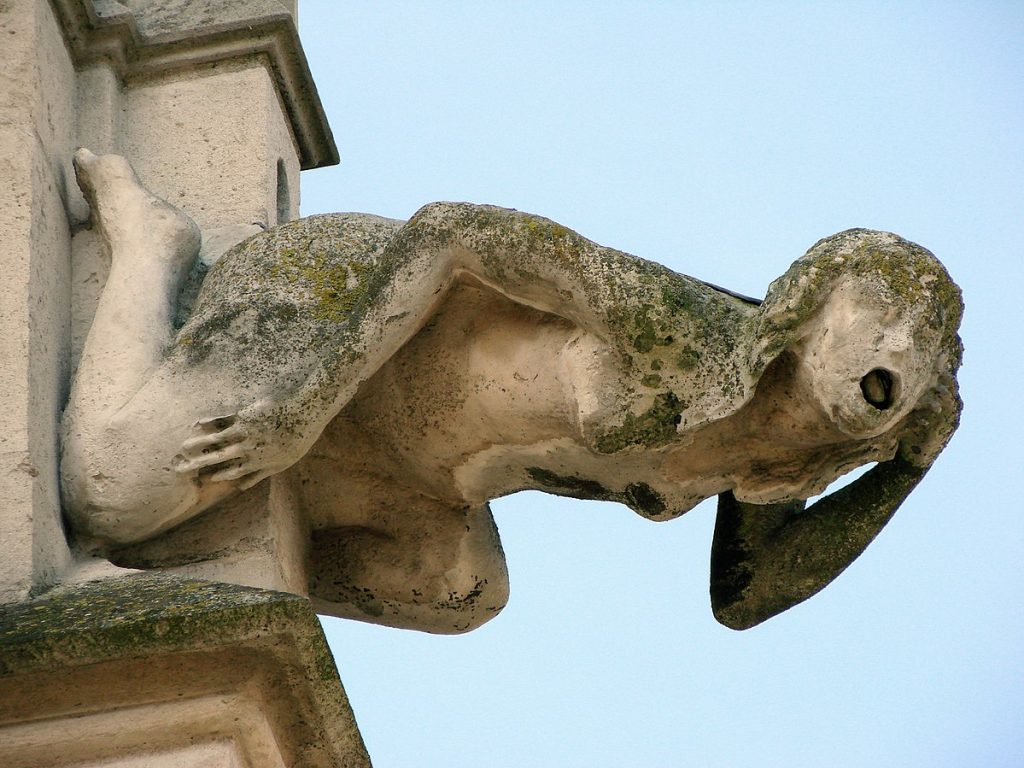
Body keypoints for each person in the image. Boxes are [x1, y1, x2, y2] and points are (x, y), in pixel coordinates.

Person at [62, 149, 962, 633]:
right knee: (106, 493)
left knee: (461, 592)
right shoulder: (693, 337)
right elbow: (453, 234)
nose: (896, 349)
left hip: (406, 471)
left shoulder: (773, 458)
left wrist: (902, 474)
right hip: (336, 319)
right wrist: (302, 408)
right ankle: (155, 247)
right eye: (880, 310)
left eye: (924, 349)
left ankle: (245, 550)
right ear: (811, 305)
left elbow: (746, 593)